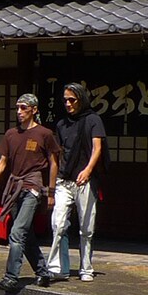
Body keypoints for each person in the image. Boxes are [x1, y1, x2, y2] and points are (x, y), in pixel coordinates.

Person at [0, 92, 59, 294]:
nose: (19, 112)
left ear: (34, 110)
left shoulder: (44, 134)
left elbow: (53, 163)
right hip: (14, 187)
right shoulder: (11, 134)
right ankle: (43, 271)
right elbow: (3, 162)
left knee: (16, 233)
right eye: (17, 107)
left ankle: (11, 278)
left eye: (24, 108)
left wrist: (51, 192)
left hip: (33, 187)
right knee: (25, 233)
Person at [47, 81, 106, 282]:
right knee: (58, 223)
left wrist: (88, 170)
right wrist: (53, 182)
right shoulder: (62, 124)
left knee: (86, 227)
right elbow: (58, 153)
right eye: (65, 100)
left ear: (81, 99)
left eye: (72, 100)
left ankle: (86, 268)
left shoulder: (93, 120)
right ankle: (56, 267)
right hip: (65, 179)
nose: (68, 104)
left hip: (84, 180)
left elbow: (97, 148)